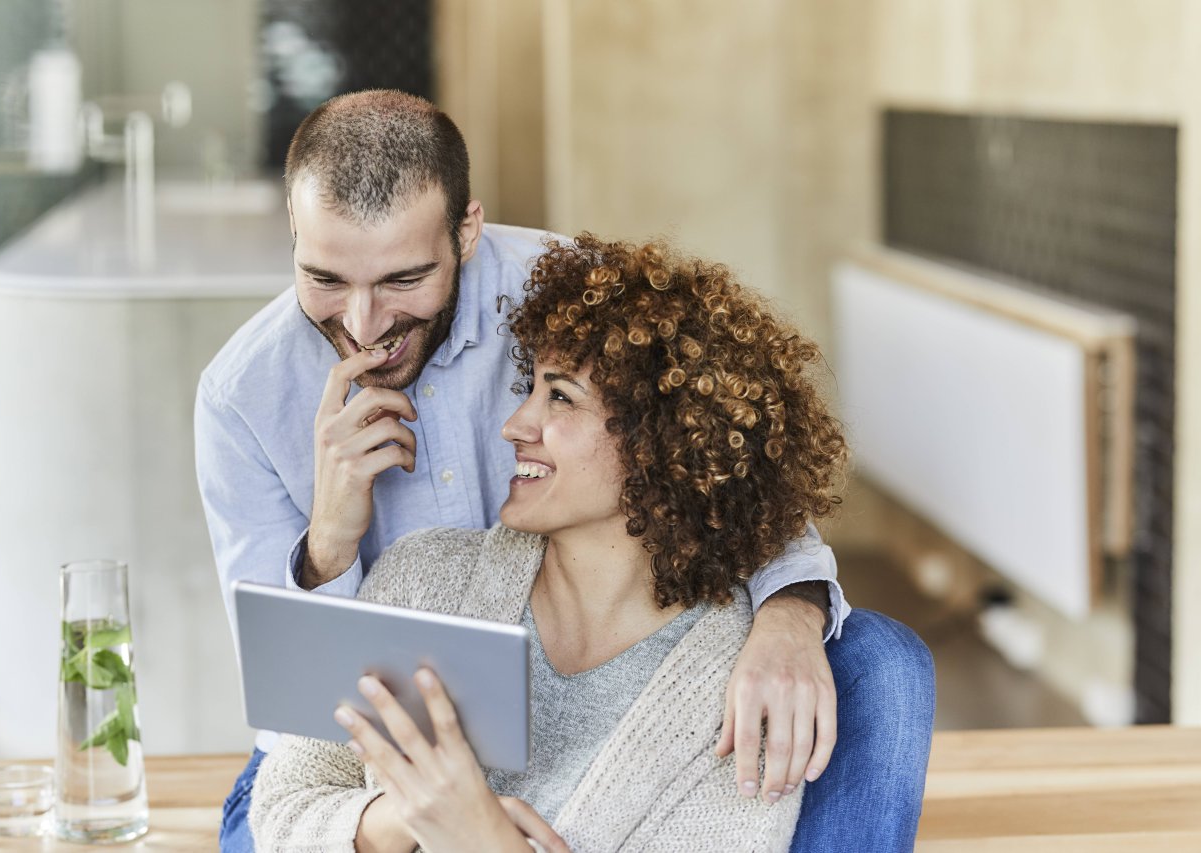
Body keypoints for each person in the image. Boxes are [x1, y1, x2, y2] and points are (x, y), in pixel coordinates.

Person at [195, 90, 933, 853]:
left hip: (585, 690)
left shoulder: (571, 299)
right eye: (324, 279)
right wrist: (330, 552)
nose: (363, 325)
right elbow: (296, 721)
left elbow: (733, 462)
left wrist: (788, 615)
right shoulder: (243, 398)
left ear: (467, 231)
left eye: (402, 281)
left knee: (878, 660)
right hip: (358, 743)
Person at [250, 233, 853, 851]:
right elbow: (280, 807)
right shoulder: (424, 578)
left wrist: (484, 838)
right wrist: (402, 816)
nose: (515, 426)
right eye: (530, 389)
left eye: (560, 396)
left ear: (663, 444)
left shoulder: (743, 686)